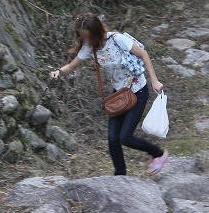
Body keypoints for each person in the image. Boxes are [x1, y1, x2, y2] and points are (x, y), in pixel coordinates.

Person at [50, 13, 168, 176]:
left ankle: (158, 154)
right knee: (113, 139)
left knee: (125, 137)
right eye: (82, 37)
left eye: (87, 36)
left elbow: (143, 54)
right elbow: (71, 66)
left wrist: (154, 80)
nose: (85, 40)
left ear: (97, 32)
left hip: (137, 90)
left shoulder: (117, 40)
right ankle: (120, 176)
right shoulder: (89, 48)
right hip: (119, 95)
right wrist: (58, 72)